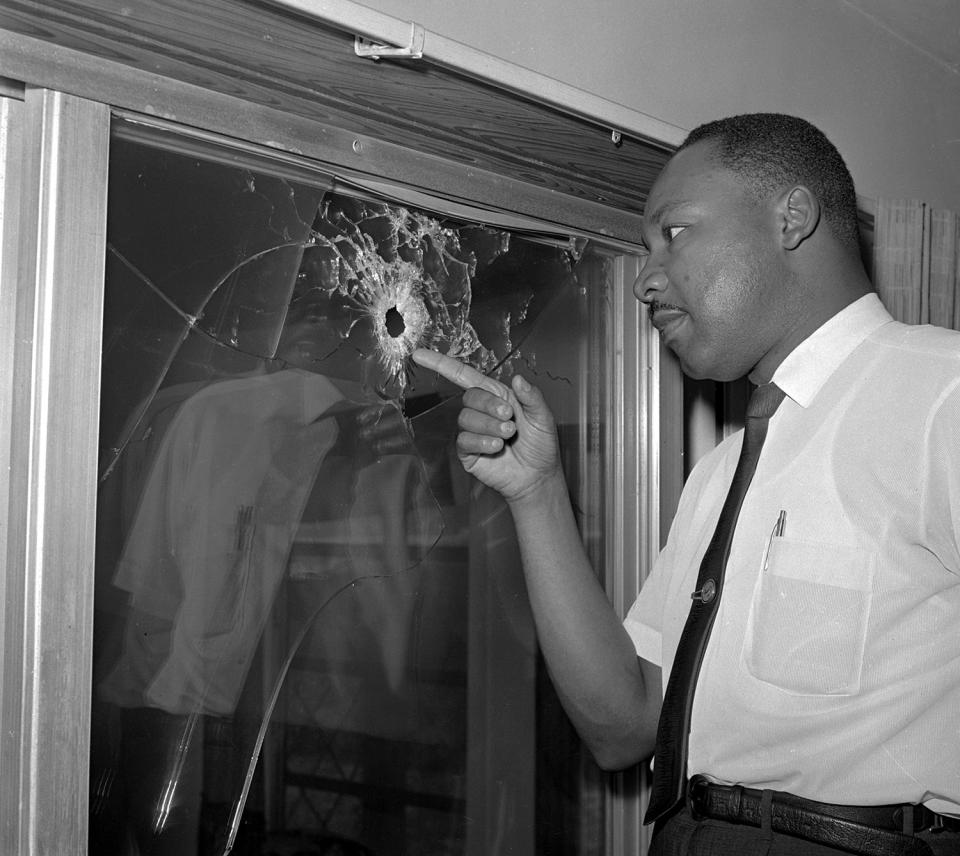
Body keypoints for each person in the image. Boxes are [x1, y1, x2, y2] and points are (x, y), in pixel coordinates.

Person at [413, 113, 960, 855]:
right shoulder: (719, 474)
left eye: (674, 233)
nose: (644, 279)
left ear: (791, 217)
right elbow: (624, 725)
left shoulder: (942, 394)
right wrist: (535, 494)